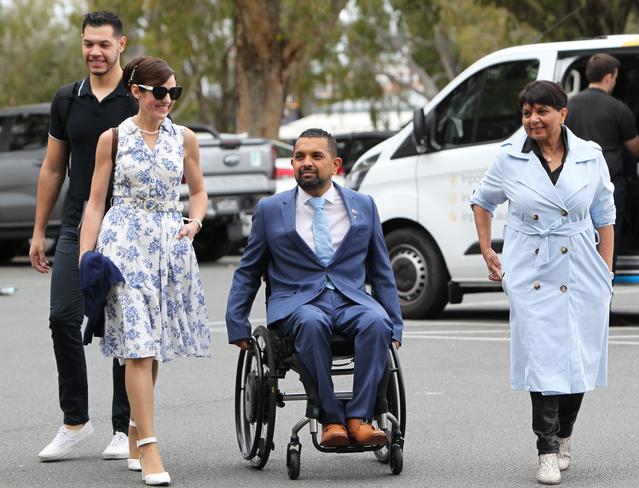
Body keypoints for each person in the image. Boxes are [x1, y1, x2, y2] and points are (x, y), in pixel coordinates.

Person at [471, 80, 615, 485]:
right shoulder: (509, 158)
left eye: (541, 111)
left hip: (583, 265)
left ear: (562, 113)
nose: (532, 119)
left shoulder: (590, 156)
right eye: (526, 112)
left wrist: (605, 270)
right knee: (543, 358)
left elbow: (605, 215)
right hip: (531, 267)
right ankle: (546, 448)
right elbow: (482, 201)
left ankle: (565, 434)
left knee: (580, 356)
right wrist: (487, 249)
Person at [78, 55, 210, 485]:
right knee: (136, 345)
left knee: (150, 346)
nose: (168, 99)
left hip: (168, 247)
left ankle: (135, 429)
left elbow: (199, 190)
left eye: (175, 91)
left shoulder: (185, 138)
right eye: (160, 92)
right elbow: (96, 202)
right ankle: (151, 447)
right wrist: (85, 254)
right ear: (136, 92)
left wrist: (196, 220)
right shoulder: (112, 139)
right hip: (123, 244)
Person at [226, 128, 403, 448]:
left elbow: (380, 270)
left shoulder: (363, 206)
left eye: (315, 156)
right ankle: (331, 419)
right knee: (311, 322)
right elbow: (248, 270)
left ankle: (359, 419)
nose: (306, 162)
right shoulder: (270, 210)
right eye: (299, 156)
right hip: (297, 304)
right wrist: (236, 320)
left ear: (335, 164)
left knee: (377, 323)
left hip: (350, 299)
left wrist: (395, 322)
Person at [29, 11, 135, 462]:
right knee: (61, 318)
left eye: (104, 44)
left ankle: (122, 427)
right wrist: (39, 231)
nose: (95, 51)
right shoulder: (67, 99)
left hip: (126, 226)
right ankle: (75, 421)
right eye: (88, 43)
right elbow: (53, 168)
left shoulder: (137, 99)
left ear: (121, 46)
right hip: (76, 225)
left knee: (125, 327)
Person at [565, 53, 639, 272]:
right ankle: (602, 299)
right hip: (609, 186)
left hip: (574, 186)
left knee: (577, 243)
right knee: (608, 244)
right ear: (610, 77)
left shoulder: (568, 107)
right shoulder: (618, 108)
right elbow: (636, 149)